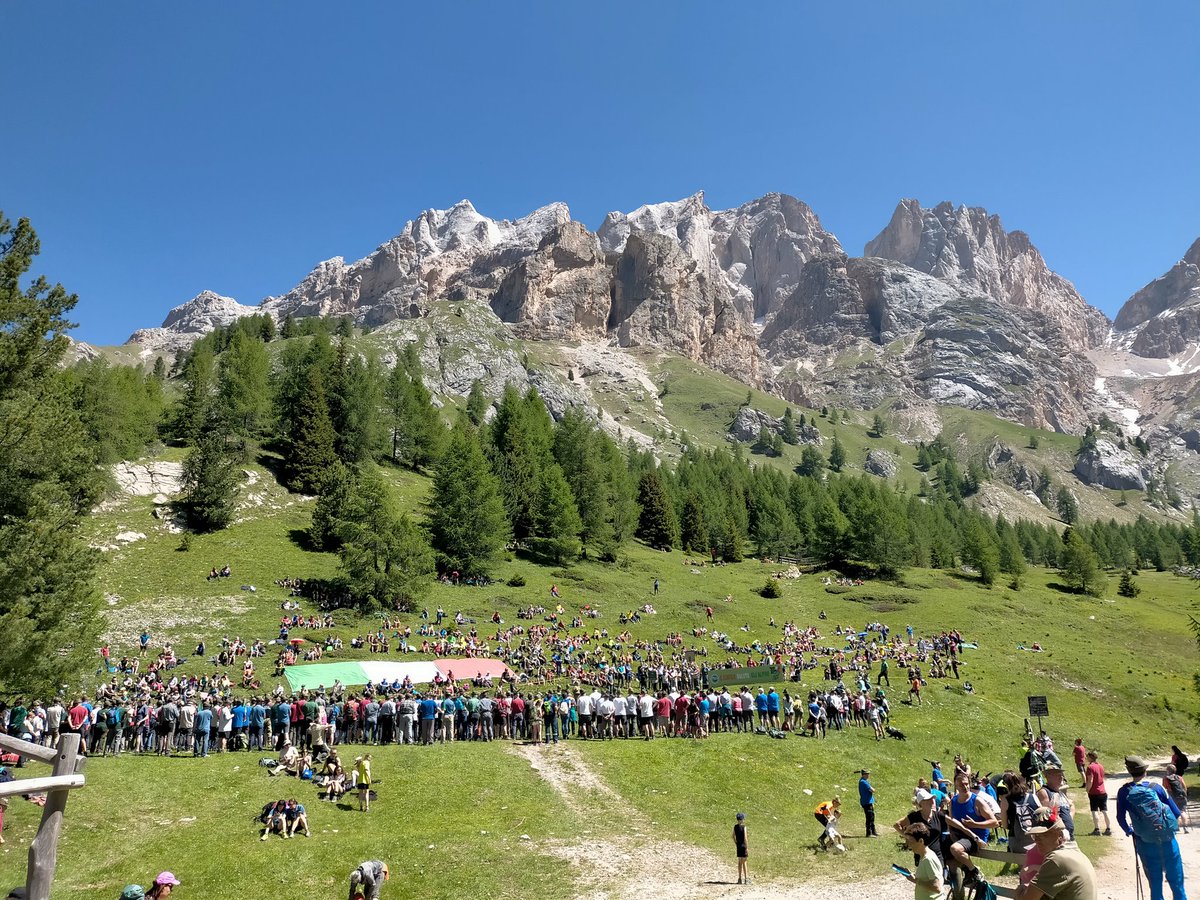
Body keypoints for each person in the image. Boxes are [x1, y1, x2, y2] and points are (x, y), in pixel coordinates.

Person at [1116, 755, 1186, 900]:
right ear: (1144, 771)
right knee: (1177, 883)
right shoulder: (1157, 788)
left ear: (1130, 771)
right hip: (1168, 840)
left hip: (1145, 842)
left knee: (1155, 883)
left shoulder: (1124, 792)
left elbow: (1120, 818)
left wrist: (1130, 831)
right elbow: (1176, 813)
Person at [1017, 816, 1097, 900]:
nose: (1037, 840)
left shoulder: (1056, 859)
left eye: (1044, 835)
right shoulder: (1074, 851)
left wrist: (1020, 891)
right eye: (1034, 836)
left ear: (1059, 835)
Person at [947, 772, 998, 889]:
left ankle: (974, 871)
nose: (964, 787)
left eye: (966, 784)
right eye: (961, 785)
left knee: (955, 849)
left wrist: (975, 824)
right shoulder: (953, 801)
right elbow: (951, 820)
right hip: (959, 835)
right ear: (956, 786)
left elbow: (994, 822)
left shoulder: (977, 801)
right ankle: (954, 878)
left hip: (976, 837)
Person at [903, 823, 943, 900]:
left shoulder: (928, 859)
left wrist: (915, 880)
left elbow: (937, 888)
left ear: (921, 841)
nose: (908, 844)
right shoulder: (925, 856)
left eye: (911, 841)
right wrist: (913, 875)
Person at [1083, 751, 1112, 836]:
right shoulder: (1101, 766)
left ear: (1091, 758)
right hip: (1103, 791)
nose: (1086, 758)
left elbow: (1090, 780)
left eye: (1087, 757)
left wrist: (1087, 789)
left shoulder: (1090, 767)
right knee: (1104, 810)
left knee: (1094, 810)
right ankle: (1108, 828)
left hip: (1094, 792)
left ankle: (1097, 829)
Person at [1162, 765, 1189, 833]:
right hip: (1182, 796)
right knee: (1183, 811)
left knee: (1174, 811)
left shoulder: (1166, 779)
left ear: (1168, 771)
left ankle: (1176, 827)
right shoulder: (1179, 777)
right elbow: (1184, 787)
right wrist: (1184, 795)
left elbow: (1164, 787)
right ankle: (1185, 828)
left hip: (1173, 797)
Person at [859, 769, 878, 836]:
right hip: (866, 802)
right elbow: (872, 790)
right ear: (863, 774)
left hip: (869, 802)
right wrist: (872, 789)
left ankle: (873, 831)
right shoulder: (863, 782)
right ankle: (868, 833)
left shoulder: (865, 781)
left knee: (872, 817)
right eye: (867, 774)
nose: (868, 775)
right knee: (869, 818)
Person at [733, 812, 749, 885]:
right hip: (743, 846)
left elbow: (733, 836)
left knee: (739, 862)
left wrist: (736, 843)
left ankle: (739, 878)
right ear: (742, 819)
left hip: (739, 846)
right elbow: (745, 838)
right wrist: (747, 847)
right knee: (744, 862)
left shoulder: (735, 827)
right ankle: (746, 878)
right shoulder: (744, 827)